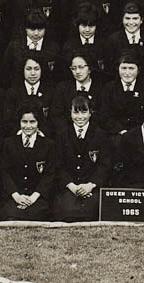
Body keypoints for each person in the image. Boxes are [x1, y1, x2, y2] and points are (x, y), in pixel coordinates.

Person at [53, 94, 111, 222]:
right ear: (70, 113)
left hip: (92, 188)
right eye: (76, 112)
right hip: (69, 187)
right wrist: (71, 186)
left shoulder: (100, 135)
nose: (80, 117)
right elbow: (58, 166)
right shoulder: (62, 136)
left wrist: (91, 185)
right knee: (67, 211)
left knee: (91, 211)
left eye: (84, 112)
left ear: (90, 113)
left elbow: (105, 165)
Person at [0, 98, 56, 221]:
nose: (28, 126)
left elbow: (49, 175)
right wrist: (16, 196)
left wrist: (34, 197)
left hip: (37, 198)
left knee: (36, 215)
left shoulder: (48, 144)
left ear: (38, 122)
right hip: (14, 197)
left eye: (32, 122)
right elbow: (4, 172)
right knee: (11, 216)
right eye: (24, 122)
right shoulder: (9, 143)